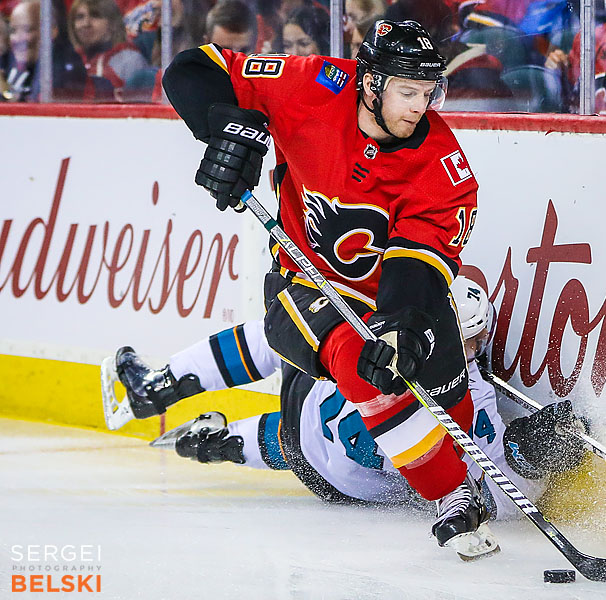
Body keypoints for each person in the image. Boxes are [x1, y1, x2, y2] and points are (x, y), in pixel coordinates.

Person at [161, 19, 490, 558]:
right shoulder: (312, 85)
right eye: (407, 91)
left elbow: (418, 267)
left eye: (428, 93)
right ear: (370, 82)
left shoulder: (445, 171)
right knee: (364, 364)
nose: (418, 106)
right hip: (300, 282)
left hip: (388, 294)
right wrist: (227, 128)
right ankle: (450, 494)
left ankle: (463, 475)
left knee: (439, 379)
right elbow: (192, 67)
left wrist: (405, 325)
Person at [111, 278, 588, 542]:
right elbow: (493, 493)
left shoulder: (468, 396)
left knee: (288, 343)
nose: (458, 349)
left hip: (322, 454)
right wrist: (526, 459)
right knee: (286, 337)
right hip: (321, 459)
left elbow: (495, 496)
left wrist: (529, 457)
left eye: (469, 341)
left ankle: (179, 402)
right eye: (458, 338)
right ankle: (215, 438)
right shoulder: (454, 386)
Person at [2, 0, 86, 101]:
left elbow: (39, 113)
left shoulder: (63, 71)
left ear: (52, 31)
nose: (18, 39)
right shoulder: (8, 62)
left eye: (27, 29)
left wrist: (5, 93)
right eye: (13, 30)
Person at [68, 0, 148, 99]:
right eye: (79, 17)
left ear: (113, 23)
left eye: (95, 15)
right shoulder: (71, 59)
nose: (86, 23)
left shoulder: (130, 60)